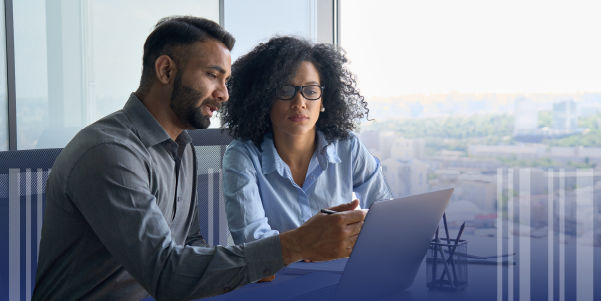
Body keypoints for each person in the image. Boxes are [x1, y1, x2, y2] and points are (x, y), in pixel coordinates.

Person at [32, 17, 366, 301]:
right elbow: (166, 273)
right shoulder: (109, 153)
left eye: (226, 80)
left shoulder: (182, 146)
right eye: (212, 75)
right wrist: (293, 245)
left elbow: (190, 244)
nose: (224, 93)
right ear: (165, 70)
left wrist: (259, 265)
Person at [221, 37, 392, 252]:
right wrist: (311, 246)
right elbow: (254, 244)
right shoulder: (242, 156)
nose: (299, 103)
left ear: (323, 101)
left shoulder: (347, 146)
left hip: (340, 273)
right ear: (264, 99)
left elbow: (386, 213)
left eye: (310, 91)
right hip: (278, 281)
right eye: (285, 90)